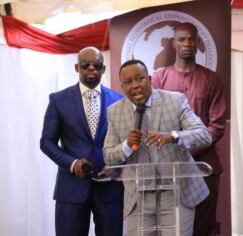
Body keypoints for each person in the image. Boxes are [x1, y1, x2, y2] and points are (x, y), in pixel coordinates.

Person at [103, 59, 212, 236]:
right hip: (139, 197)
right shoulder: (114, 111)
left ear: (150, 79)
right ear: (122, 87)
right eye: (128, 82)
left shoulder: (175, 101)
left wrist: (173, 137)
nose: (135, 85)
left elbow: (204, 135)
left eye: (139, 79)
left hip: (176, 192)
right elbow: (108, 156)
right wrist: (127, 146)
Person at [40, 47, 124, 236]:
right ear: (77, 67)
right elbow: (47, 142)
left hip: (110, 188)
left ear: (103, 69)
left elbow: (126, 141)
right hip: (71, 190)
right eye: (86, 65)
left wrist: (115, 165)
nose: (91, 69)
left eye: (97, 65)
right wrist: (73, 163)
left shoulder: (120, 101)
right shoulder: (58, 100)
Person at [152, 22, 226, 236]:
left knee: (204, 227)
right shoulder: (159, 78)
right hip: (169, 168)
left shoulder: (212, 79)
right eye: (182, 39)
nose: (187, 43)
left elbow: (217, 127)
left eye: (192, 39)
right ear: (173, 43)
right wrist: (177, 149)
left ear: (197, 43)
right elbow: (153, 122)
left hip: (205, 166)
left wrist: (187, 146)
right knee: (170, 227)